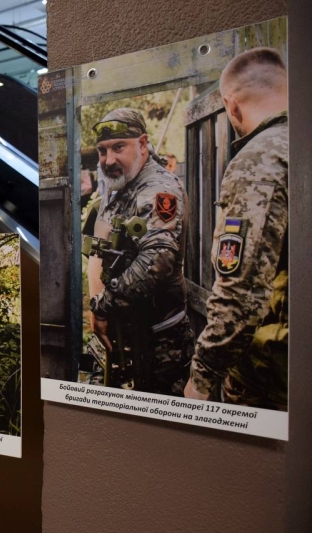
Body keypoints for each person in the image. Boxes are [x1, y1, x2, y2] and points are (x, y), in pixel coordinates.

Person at [185, 48, 289, 409]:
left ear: (231, 107)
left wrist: (201, 379)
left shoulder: (261, 158)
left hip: (273, 382)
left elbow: (242, 291)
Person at [86, 108, 192, 395]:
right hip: (124, 339)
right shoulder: (119, 185)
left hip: (158, 344)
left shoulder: (158, 188)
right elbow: (101, 244)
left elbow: (158, 259)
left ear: (142, 144)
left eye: (119, 147)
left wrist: (103, 305)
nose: (109, 160)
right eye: (102, 150)